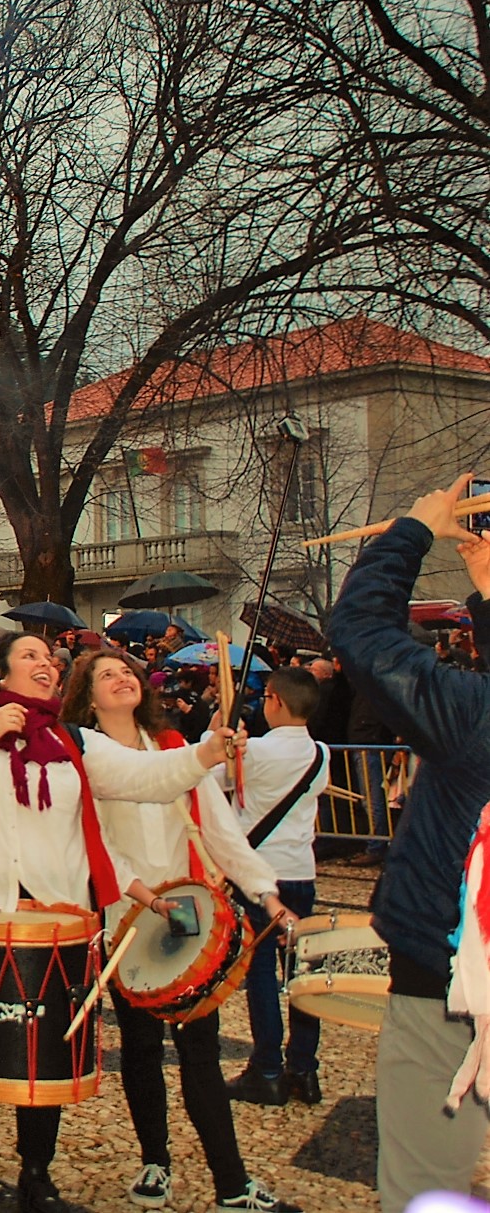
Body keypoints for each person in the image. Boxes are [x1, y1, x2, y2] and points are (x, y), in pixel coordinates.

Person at [0, 632, 244, 1213]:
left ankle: (37, 1175)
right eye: (30, 656)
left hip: (56, 919)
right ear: (1, 674)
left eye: (49, 659)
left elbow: (146, 777)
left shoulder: (73, 741)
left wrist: (205, 754)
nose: (46, 664)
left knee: (47, 1054)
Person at [60, 649, 300, 1213]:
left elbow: (221, 831)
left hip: (188, 916)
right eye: (106, 675)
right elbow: (92, 842)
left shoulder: (173, 750)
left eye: (127, 671)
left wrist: (265, 893)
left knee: (200, 1052)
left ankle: (232, 1183)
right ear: (88, 697)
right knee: (141, 1051)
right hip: (126, 919)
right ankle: (154, 1161)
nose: (122, 678)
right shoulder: (81, 756)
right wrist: (145, 897)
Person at [324, 473, 490, 1211]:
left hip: (451, 980)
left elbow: (360, 631)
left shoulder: (471, 718)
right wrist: (482, 596)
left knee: (424, 1184)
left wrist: (411, 530)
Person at [222, 667, 331, 1108]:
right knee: (303, 974)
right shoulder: (321, 753)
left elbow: (215, 783)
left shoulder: (254, 752)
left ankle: (266, 1068)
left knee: (263, 973)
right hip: (302, 871)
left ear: (274, 700)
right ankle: (303, 1068)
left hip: (259, 874)